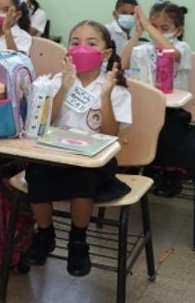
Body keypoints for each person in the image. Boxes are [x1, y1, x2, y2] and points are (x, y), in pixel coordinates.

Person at [26, 21, 131, 277]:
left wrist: (105, 96)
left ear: (106, 54)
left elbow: (109, 136)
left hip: (94, 162)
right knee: (35, 172)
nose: (82, 48)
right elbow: (42, 123)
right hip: (54, 156)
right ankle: (45, 233)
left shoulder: (116, 90)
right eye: (75, 43)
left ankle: (78, 241)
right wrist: (64, 86)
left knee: (83, 178)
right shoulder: (52, 82)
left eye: (91, 43)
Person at [122, 1, 192, 197]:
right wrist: (137, 34)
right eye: (153, 26)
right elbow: (123, 62)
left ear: (178, 30)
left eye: (164, 28)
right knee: (127, 121)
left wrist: (148, 24)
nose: (156, 32)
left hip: (172, 109)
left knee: (170, 128)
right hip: (146, 106)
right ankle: (134, 165)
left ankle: (172, 174)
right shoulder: (145, 49)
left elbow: (170, 53)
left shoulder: (182, 47)